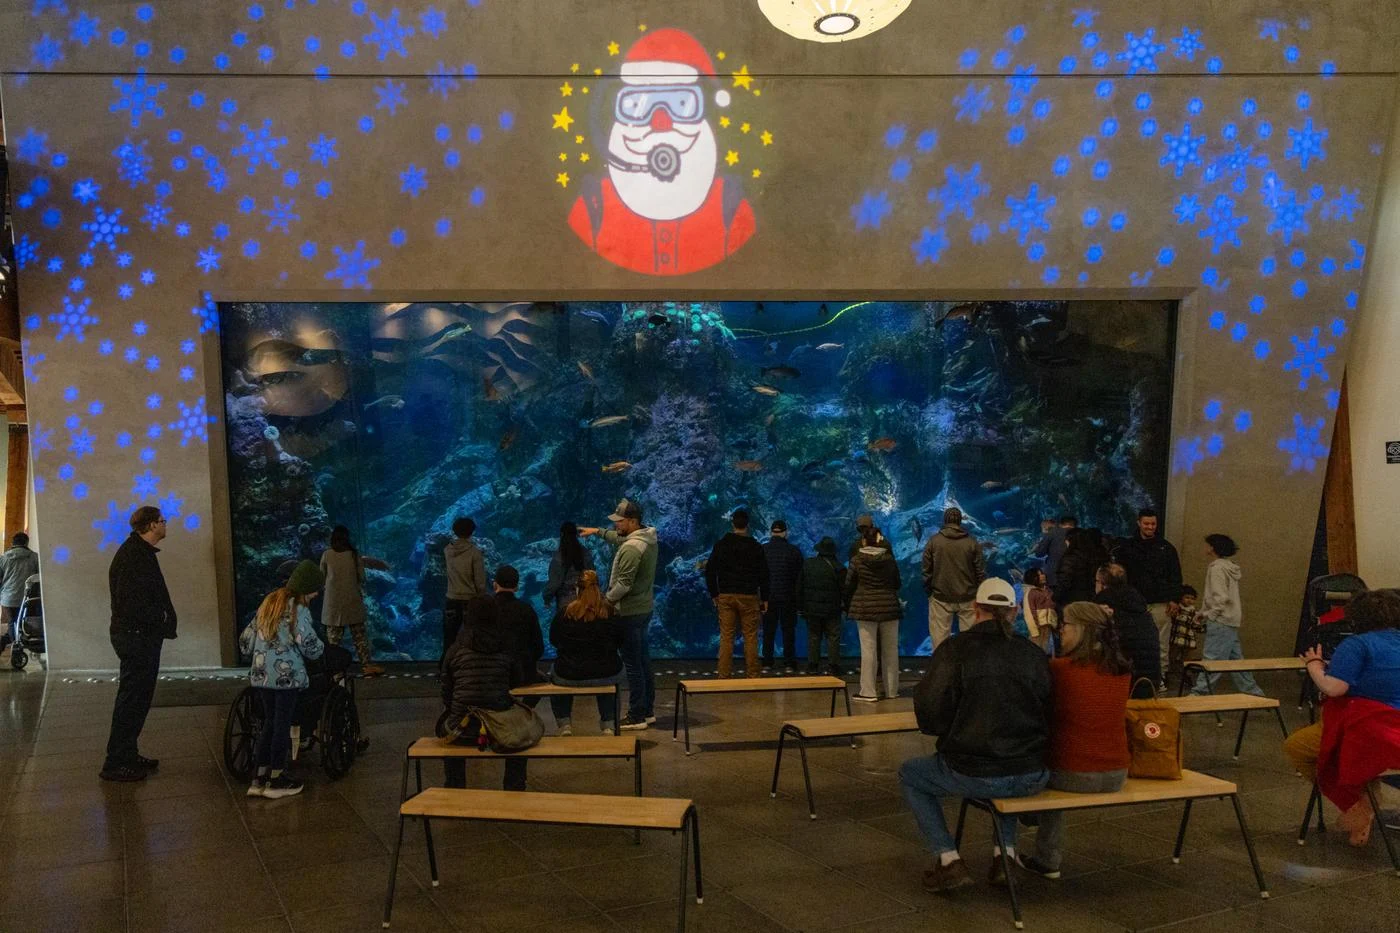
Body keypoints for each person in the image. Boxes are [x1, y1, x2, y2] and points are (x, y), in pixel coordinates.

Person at [900, 578, 1052, 892]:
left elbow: (930, 712)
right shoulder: (1033, 654)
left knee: (910, 774)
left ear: (975, 609)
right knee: (1009, 770)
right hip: (1030, 771)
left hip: (973, 769)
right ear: (1013, 612)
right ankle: (1005, 856)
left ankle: (948, 858)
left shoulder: (954, 650)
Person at [1017, 602, 1133, 878]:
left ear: (1081, 629)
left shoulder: (1060, 669)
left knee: (1036, 764)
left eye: (1065, 625)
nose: (1060, 631)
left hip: (1074, 773)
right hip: (1117, 772)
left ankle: (1046, 858)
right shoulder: (1121, 670)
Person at [1286, 588, 1400, 844]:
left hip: (1368, 728)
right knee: (1363, 761)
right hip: (1395, 733)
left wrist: (1314, 666)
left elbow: (1334, 688)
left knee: (1299, 748)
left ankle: (1357, 803)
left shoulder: (1357, 645)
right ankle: (1365, 800)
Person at [102, 506, 177, 783]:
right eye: (162, 521)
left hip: (139, 635)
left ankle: (127, 754)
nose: (165, 525)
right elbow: (131, 602)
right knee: (132, 699)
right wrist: (158, 619)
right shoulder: (134, 556)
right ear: (150, 525)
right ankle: (115, 761)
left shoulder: (138, 552)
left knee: (137, 698)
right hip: (136, 637)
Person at [239, 560, 326, 799]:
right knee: (282, 724)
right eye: (316, 589)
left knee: (269, 722)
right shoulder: (299, 609)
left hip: (260, 676)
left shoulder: (268, 602)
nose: (317, 594)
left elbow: (245, 641)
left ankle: (259, 777)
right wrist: (322, 651)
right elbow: (308, 644)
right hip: (286, 679)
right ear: (306, 589)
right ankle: (277, 779)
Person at [580, 498, 658, 731]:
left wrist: (605, 602)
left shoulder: (632, 549)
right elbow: (620, 538)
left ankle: (636, 715)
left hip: (630, 613)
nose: (616, 525)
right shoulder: (647, 538)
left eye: (620, 521)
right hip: (644, 609)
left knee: (633, 665)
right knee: (643, 661)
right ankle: (647, 710)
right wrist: (598, 532)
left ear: (633, 521)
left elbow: (623, 584)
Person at [440, 596, 528, 791]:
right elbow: (517, 681)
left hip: (461, 729)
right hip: (499, 729)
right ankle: (515, 786)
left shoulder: (456, 648)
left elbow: (446, 690)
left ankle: (454, 785)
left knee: (444, 728)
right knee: (521, 736)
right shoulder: (506, 646)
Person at [549, 570, 626, 735]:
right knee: (609, 674)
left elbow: (554, 640)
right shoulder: (611, 613)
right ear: (599, 588)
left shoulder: (565, 613)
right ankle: (609, 723)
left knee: (553, 672)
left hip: (569, 674)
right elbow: (621, 641)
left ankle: (564, 724)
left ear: (577, 589)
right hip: (607, 673)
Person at [1188, 535, 1264, 697]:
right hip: (1230, 620)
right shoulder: (1229, 567)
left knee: (1212, 659)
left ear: (1212, 548)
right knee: (1236, 661)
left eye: (1207, 545)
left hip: (1221, 621)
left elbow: (1220, 598)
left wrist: (1209, 615)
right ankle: (1254, 694)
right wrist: (1204, 612)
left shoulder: (1216, 568)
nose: (1204, 547)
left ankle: (1200, 694)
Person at [1113, 509, 1183, 682]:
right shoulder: (1126, 548)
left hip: (1160, 602)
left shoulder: (1167, 548)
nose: (1150, 527)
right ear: (1139, 523)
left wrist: (1174, 599)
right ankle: (1136, 674)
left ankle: (1161, 675)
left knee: (1161, 642)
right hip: (1134, 602)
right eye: (1146, 523)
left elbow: (1175, 575)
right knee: (1135, 640)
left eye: (1153, 524)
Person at [704, 509, 770, 679]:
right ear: (748, 524)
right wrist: (765, 598)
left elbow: (710, 570)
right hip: (749, 596)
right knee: (750, 636)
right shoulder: (756, 546)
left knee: (727, 636)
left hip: (726, 595)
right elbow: (764, 574)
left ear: (732, 523)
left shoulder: (722, 544)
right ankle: (753, 675)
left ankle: (724, 675)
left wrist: (714, 593)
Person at [320, 526, 390, 676]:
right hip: (352, 601)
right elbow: (362, 577)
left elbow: (321, 576)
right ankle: (367, 666)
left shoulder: (326, 555)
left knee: (333, 641)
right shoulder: (353, 555)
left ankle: (334, 671)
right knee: (360, 637)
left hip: (333, 604)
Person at [846, 523, 904, 702]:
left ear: (864, 540)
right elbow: (897, 583)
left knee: (868, 650)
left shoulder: (856, 560)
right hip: (889, 607)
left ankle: (868, 692)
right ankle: (892, 690)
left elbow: (849, 584)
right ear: (880, 540)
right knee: (891, 650)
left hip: (865, 608)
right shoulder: (890, 559)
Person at [921, 507, 986, 652]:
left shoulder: (933, 542)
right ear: (960, 521)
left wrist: (929, 592)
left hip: (940, 598)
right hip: (968, 597)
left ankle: (941, 672)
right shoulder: (972, 543)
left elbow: (926, 570)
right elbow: (980, 572)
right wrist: (978, 593)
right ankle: (968, 672)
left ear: (944, 520)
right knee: (970, 642)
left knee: (939, 642)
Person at [1092, 563, 1161, 694]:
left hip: (1120, 683)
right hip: (1149, 681)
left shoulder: (1102, 610)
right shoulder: (1140, 607)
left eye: (1096, 581)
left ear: (1102, 584)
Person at [796, 537, 846, 675]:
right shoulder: (839, 568)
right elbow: (845, 591)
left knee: (814, 636)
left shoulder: (808, 564)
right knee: (833, 636)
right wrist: (846, 607)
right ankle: (833, 665)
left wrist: (800, 607)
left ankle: (812, 665)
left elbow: (799, 587)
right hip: (832, 609)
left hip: (812, 609)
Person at [761, 520, 804, 670]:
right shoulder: (794, 551)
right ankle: (789, 662)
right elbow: (799, 578)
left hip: (768, 598)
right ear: (785, 532)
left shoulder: (763, 550)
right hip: (788, 597)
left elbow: (759, 576)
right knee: (788, 631)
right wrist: (799, 601)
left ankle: (767, 661)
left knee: (768, 631)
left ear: (771, 532)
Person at [492, 565, 544, 687]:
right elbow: (538, 647)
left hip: (492, 673)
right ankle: (525, 706)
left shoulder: (486, 608)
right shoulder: (526, 609)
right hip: (522, 672)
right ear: (516, 587)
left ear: (494, 585)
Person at [443, 517, 488, 657]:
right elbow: (480, 581)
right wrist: (482, 597)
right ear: (472, 532)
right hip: (470, 600)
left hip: (451, 598)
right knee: (473, 635)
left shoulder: (447, 550)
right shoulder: (475, 553)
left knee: (450, 637)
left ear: (454, 531)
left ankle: (445, 670)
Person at [0, 532, 40, 655]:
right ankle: (17, 647)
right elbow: (39, 577)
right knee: (23, 624)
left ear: (13, 543)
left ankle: (10, 644)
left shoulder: (3, 558)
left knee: (13, 623)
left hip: (8, 598)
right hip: (28, 598)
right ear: (26, 543)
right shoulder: (34, 557)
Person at [543, 521, 594, 611]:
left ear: (561, 534)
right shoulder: (585, 553)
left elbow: (554, 583)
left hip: (566, 605)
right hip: (586, 602)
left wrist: (547, 598)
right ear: (576, 534)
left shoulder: (559, 558)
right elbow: (592, 575)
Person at [1054, 527, 1109, 607]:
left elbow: (1064, 581)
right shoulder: (1094, 555)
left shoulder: (1070, 558)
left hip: (1072, 600)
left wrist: (1055, 597)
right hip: (1092, 597)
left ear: (1070, 541)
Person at [1167, 585, 1205, 686]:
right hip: (1177, 637)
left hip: (1188, 638)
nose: (1189, 600)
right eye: (1187, 597)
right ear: (1181, 597)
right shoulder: (1178, 608)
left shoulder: (1194, 612)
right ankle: (1170, 672)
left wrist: (1200, 626)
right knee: (1172, 655)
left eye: (1192, 598)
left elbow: (1195, 624)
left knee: (1186, 657)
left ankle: (1185, 673)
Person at [1031, 515, 1076, 588]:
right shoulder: (1082, 534)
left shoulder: (1053, 533)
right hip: (1076, 576)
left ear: (1060, 524)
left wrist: (1037, 546)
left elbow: (1039, 553)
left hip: (1055, 576)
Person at [1020, 567, 1057, 655]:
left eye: (1042, 573)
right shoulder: (1031, 593)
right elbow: (1028, 612)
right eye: (1039, 574)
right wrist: (1034, 630)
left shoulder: (1047, 591)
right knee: (1037, 650)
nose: (1042, 576)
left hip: (1049, 626)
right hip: (1038, 628)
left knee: (1048, 650)